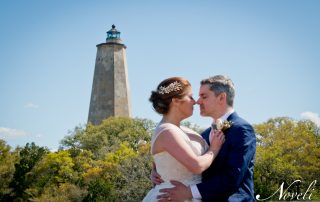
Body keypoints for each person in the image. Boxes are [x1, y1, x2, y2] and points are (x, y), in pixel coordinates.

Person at [156, 75, 257, 202]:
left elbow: (232, 177)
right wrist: (157, 170)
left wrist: (189, 192)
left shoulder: (242, 129)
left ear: (221, 97)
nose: (198, 101)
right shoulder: (203, 135)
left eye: (204, 96)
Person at [143, 77, 225, 202]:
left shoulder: (183, 130)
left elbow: (161, 161)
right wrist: (214, 149)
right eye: (190, 97)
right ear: (176, 101)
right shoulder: (167, 131)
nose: (195, 102)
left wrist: (155, 170)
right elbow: (196, 166)